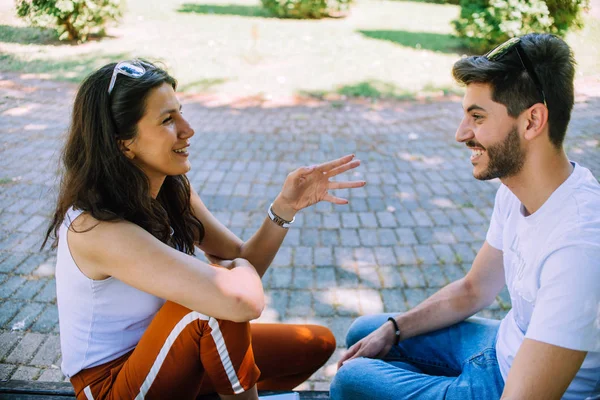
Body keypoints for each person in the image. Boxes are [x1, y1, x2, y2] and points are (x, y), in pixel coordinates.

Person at [43, 60, 366, 400]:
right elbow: (241, 300)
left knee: (314, 343)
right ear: (124, 142)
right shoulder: (97, 229)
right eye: (168, 120)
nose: (188, 129)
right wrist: (228, 277)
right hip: (112, 385)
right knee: (208, 305)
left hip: (172, 350)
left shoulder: (171, 188)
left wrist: (285, 207)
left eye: (180, 112)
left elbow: (243, 262)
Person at [331, 33, 600, 400]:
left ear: (532, 121)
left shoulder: (579, 245)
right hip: (501, 346)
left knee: (350, 380)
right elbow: (474, 289)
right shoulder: (515, 189)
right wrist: (394, 328)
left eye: (477, 117)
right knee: (367, 332)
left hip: (510, 385)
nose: (461, 134)